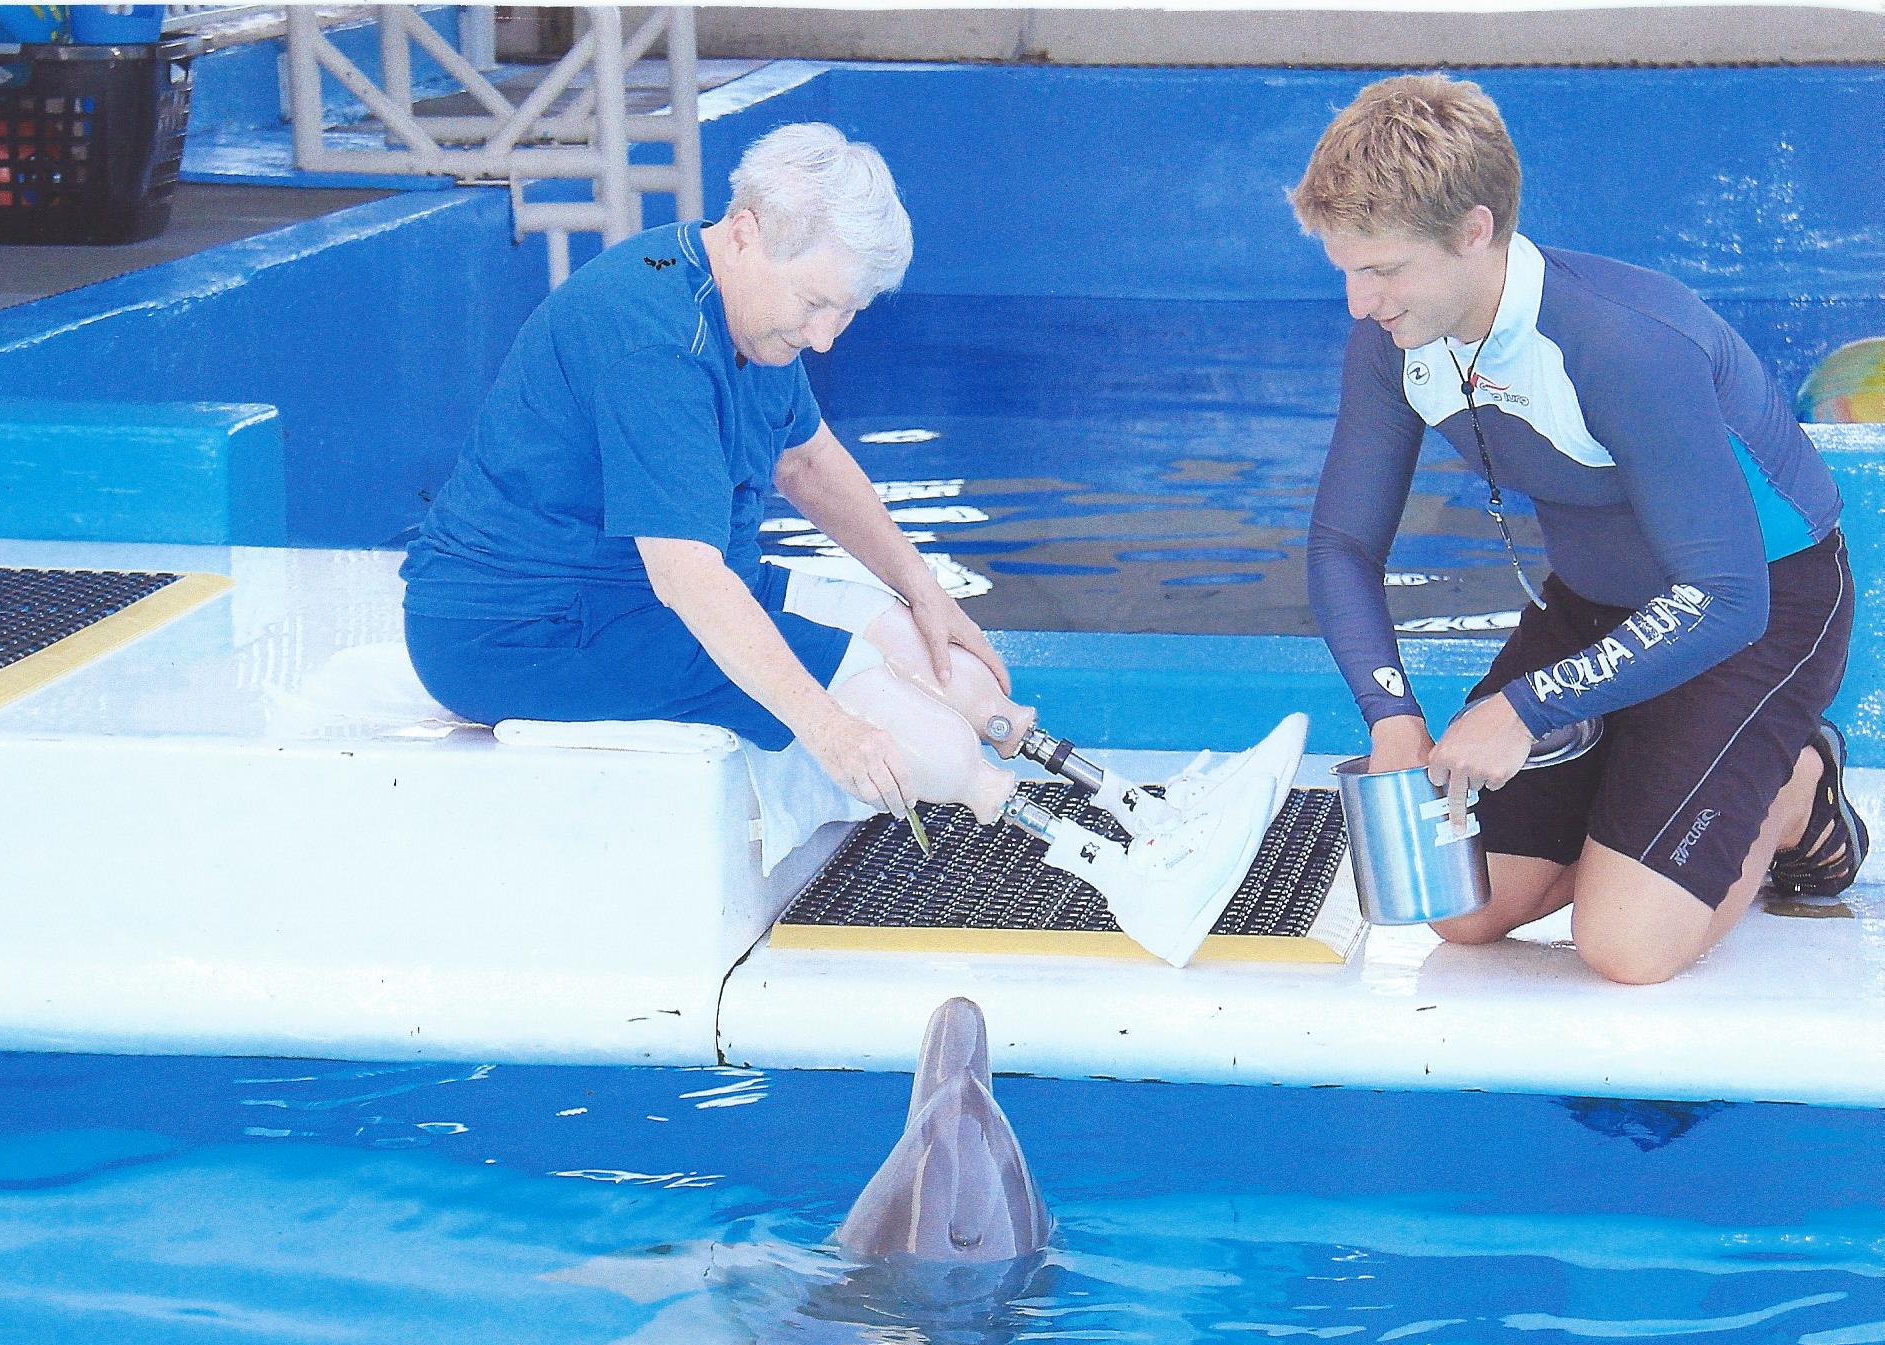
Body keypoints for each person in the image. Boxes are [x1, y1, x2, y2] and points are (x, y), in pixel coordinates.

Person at [401, 122, 1295, 967]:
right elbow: (685, 577)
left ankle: (1135, 805)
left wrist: (925, 589)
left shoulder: (741, 301)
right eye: (817, 304)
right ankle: (1118, 875)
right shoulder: (650, 336)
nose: (825, 338)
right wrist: (826, 725)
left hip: (638, 589)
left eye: (849, 312)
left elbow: (808, 463)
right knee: (893, 713)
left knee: (927, 653)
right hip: (527, 627)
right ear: (745, 232)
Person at [1291, 74, 1866, 984]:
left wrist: (1526, 708)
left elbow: (1726, 597)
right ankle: (1643, 783)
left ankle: (1793, 786)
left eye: (1384, 270)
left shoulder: (1622, 342)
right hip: (1595, 604)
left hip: (1758, 611)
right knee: (1462, 909)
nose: (1361, 302)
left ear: (1472, 231)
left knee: (1625, 948)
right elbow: (1342, 546)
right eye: (1347, 270)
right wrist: (1390, 714)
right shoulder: (1394, 341)